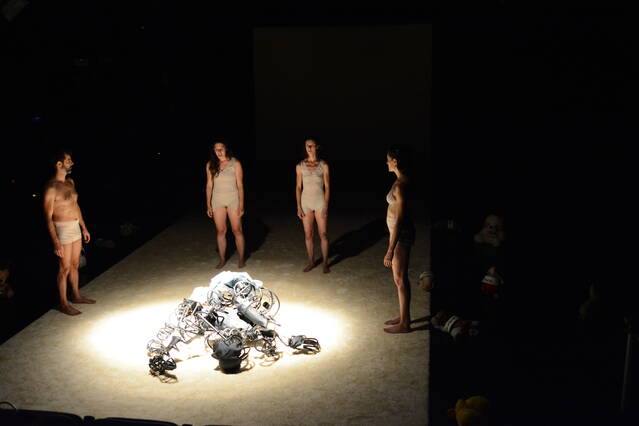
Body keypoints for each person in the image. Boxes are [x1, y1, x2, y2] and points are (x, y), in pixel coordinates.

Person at [43, 150, 95, 315]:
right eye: (68, 160)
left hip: (75, 227)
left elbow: (75, 206)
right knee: (64, 268)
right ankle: (64, 303)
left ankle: (77, 296)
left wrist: (83, 227)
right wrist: (56, 242)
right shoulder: (51, 188)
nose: (72, 163)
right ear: (59, 164)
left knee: (75, 264)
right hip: (62, 229)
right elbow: (48, 218)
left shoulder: (70, 182)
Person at [383, 146, 415, 333]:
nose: (386, 162)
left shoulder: (400, 186)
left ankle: (405, 323)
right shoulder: (400, 181)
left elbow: (400, 220)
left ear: (395, 161)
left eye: (388, 159)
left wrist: (390, 249)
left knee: (400, 278)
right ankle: (404, 316)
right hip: (398, 234)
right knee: (399, 278)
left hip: (401, 235)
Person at [206, 141, 245, 268]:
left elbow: (240, 185)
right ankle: (222, 259)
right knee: (221, 231)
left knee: (237, 230)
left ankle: (241, 259)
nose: (219, 151)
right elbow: (209, 186)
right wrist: (208, 204)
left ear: (226, 149)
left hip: (233, 199)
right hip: (217, 200)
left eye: (221, 148)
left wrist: (241, 205)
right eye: (216, 149)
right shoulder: (210, 165)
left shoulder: (235, 163)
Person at [295, 138, 331, 273]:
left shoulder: (323, 165)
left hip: (320, 202)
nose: (309, 148)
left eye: (311, 146)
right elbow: (298, 187)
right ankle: (311, 262)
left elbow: (327, 187)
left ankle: (325, 263)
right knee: (308, 234)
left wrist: (326, 205)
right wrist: (298, 206)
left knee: (323, 234)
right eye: (307, 146)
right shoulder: (300, 166)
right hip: (306, 203)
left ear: (317, 147)